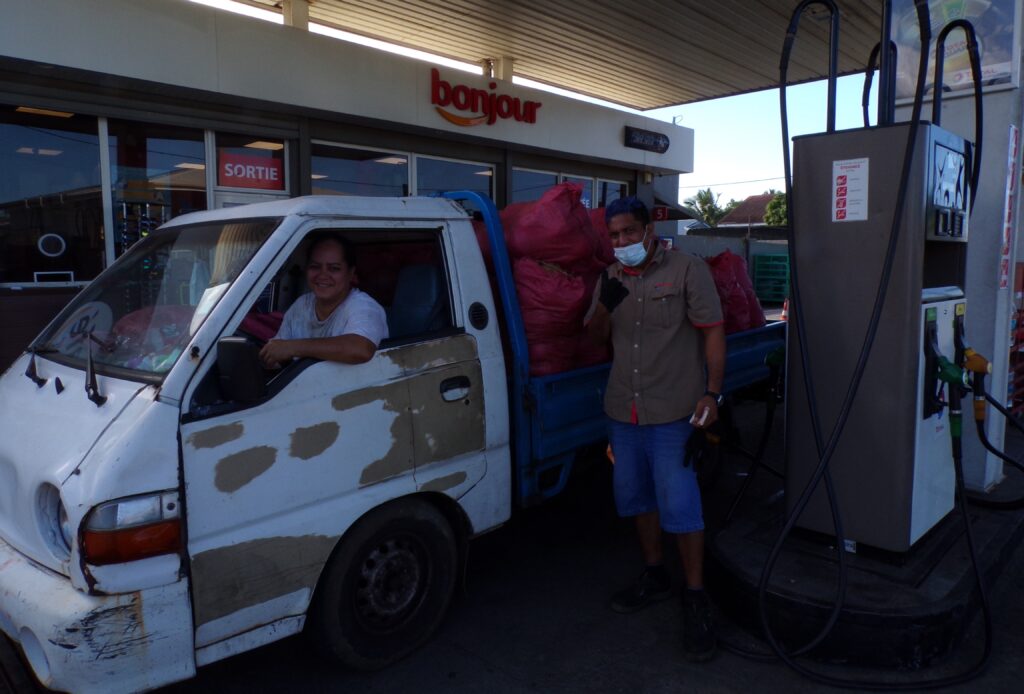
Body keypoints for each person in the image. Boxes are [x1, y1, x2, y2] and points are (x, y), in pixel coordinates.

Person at [585, 196, 725, 662]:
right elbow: (596, 338)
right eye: (615, 235)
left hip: (673, 411)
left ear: (648, 231)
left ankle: (696, 593)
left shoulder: (686, 270)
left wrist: (713, 393)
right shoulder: (609, 278)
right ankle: (654, 573)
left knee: (681, 503)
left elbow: (712, 331)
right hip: (624, 410)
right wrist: (605, 307)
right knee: (635, 495)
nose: (622, 242)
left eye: (629, 232)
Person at [259, 233, 388, 367]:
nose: (323, 275)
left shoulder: (365, 307)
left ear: (350, 273)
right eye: (315, 266)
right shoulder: (301, 305)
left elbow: (361, 349)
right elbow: (279, 352)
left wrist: (293, 347)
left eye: (334, 268)